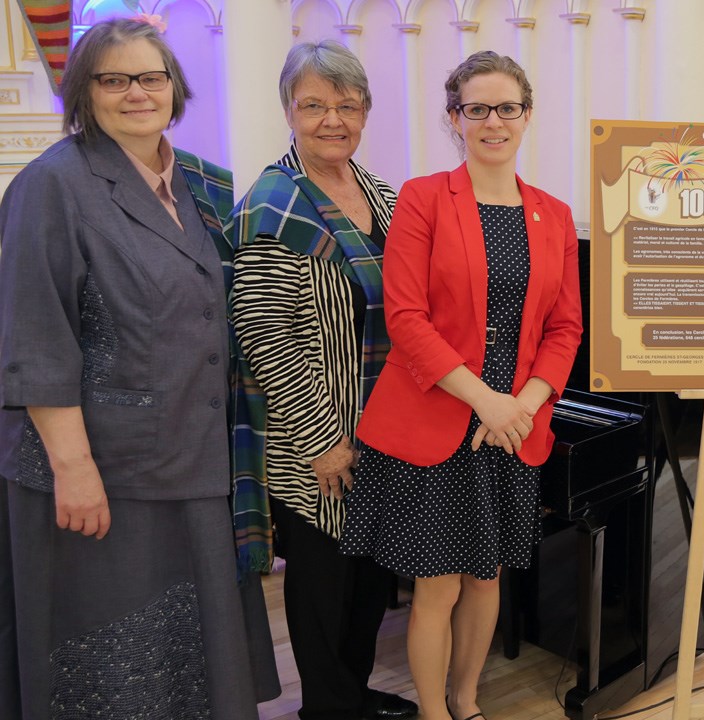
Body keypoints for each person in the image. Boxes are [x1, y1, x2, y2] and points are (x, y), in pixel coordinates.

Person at [0, 18, 279, 718]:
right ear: (84, 91)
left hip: (190, 456)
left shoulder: (194, 183)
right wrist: (74, 468)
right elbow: (35, 336)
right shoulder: (52, 185)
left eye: (149, 77)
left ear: (174, 88)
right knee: (110, 664)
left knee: (188, 657)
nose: (135, 93)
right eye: (113, 79)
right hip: (103, 474)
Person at [340, 50, 582, 720]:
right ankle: (433, 712)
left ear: (526, 115)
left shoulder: (554, 215)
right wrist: (488, 401)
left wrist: (525, 407)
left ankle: (467, 701)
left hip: (514, 425)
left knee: (487, 576)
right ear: (455, 119)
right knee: (437, 585)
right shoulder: (423, 198)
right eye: (477, 109)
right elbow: (406, 318)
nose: (493, 121)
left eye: (507, 107)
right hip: (440, 418)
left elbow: (566, 330)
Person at [228, 40, 416, 720]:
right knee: (324, 584)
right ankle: (328, 710)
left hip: (384, 429)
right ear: (289, 111)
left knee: (369, 581)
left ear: (365, 111)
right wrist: (321, 440)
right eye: (314, 105)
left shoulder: (382, 195)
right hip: (319, 441)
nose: (332, 119)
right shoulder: (274, 205)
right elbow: (264, 335)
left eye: (347, 104)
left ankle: (351, 694)